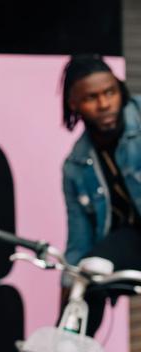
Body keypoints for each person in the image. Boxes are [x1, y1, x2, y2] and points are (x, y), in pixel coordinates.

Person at [60, 54, 141, 336]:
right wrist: (71, 294)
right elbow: (79, 241)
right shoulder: (76, 166)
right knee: (88, 271)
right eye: (91, 97)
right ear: (74, 104)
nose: (104, 104)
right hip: (132, 240)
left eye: (110, 92)